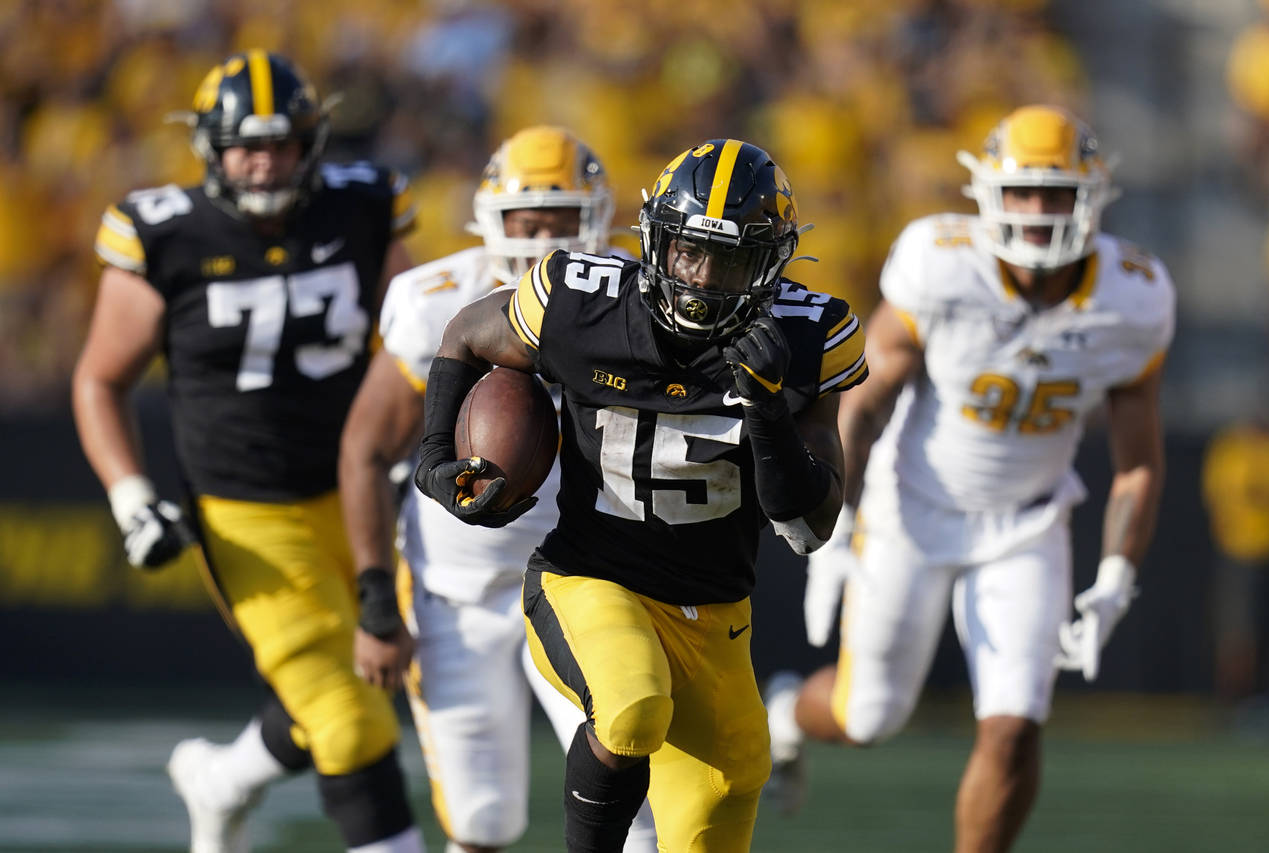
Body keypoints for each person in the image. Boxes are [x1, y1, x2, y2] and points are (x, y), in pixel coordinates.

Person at [407, 138, 867, 852]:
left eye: (731, 259)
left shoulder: (807, 337)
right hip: (591, 577)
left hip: (716, 611)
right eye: (687, 251)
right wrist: (436, 456)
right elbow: (468, 332)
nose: (702, 279)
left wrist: (770, 411)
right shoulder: (582, 301)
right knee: (631, 706)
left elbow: (809, 526)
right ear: (655, 238)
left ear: (771, 264)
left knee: (731, 785)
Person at [765, 105, 1175, 852]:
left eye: (1055, 192)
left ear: (1092, 197)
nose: (1039, 210)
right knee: (868, 717)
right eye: (1022, 191)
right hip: (912, 505)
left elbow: (1137, 459)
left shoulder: (1134, 295)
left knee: (1015, 723)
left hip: (1028, 521)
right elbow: (864, 401)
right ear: (988, 194)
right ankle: (787, 714)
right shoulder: (942, 264)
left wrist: (1118, 572)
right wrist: (840, 521)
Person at [71, 51, 426, 853]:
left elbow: (413, 345)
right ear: (210, 148)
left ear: (312, 142)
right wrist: (130, 496)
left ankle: (223, 778)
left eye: (281, 143)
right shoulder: (164, 232)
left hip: (362, 487)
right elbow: (99, 379)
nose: (263, 161)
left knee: (384, 677)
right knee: (346, 714)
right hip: (247, 510)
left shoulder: (365, 207)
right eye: (243, 145)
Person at [339, 124, 658, 853]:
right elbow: (362, 449)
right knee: (481, 820)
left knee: (635, 797)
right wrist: (377, 602)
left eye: (563, 219)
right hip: (457, 591)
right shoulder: (435, 301)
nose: (545, 239)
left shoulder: (627, 298)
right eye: (527, 220)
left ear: (598, 218)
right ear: (490, 218)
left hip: (583, 579)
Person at [1202, 409, 1269, 725]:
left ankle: (1266, 703)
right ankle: (1235, 703)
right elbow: (1225, 495)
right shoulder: (1230, 450)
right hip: (1240, 553)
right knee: (1239, 632)